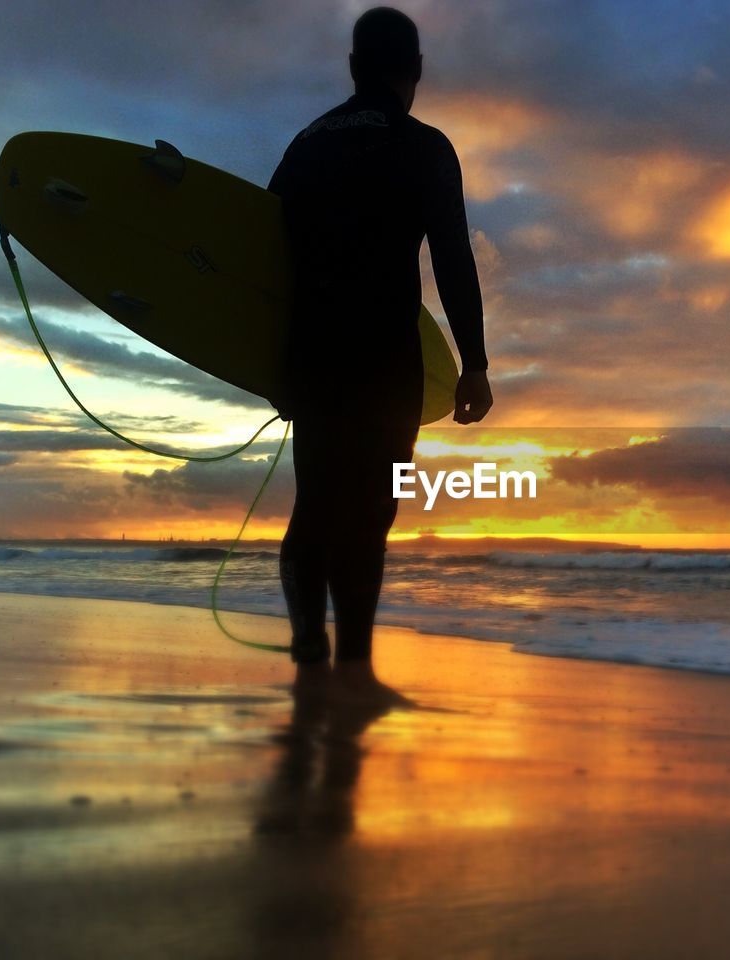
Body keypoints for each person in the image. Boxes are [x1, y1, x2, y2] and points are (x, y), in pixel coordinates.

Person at [267, 7, 492, 677]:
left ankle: (310, 641)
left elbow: (262, 249)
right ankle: (354, 659)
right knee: (370, 515)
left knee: (315, 504)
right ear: (414, 70)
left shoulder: (307, 144)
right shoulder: (421, 146)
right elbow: (452, 256)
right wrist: (473, 363)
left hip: (312, 354)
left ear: (353, 68)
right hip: (387, 360)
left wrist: (272, 359)